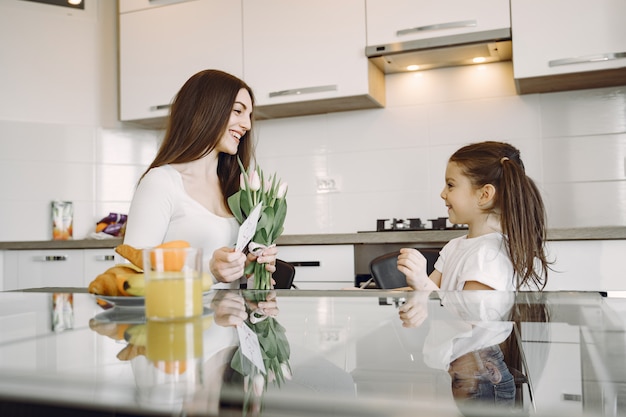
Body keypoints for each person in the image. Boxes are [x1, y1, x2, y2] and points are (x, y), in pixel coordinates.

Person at [122, 69, 278, 289]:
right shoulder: (161, 182)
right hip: (180, 321)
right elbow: (130, 273)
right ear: (206, 110)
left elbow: (231, 284)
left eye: (248, 115)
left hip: (229, 320)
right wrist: (209, 270)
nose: (247, 125)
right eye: (237, 111)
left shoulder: (234, 189)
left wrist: (251, 272)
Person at [398, 141, 551, 291]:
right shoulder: (453, 247)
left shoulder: (489, 256)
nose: (442, 194)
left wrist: (422, 282)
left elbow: (469, 314)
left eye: (450, 185)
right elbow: (429, 294)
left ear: (484, 195)